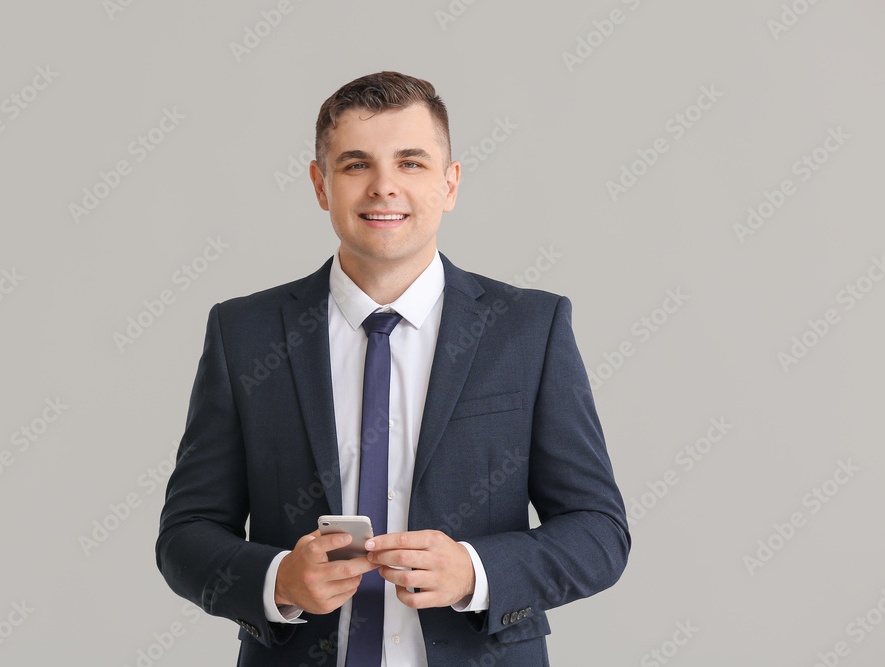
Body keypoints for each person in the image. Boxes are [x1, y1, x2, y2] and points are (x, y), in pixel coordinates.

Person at [156, 71, 630, 666]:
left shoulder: (530, 328)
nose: (384, 187)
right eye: (356, 164)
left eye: (411, 163)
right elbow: (186, 534)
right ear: (320, 184)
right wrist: (278, 579)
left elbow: (599, 532)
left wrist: (475, 572)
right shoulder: (245, 334)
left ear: (450, 183)